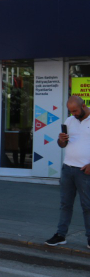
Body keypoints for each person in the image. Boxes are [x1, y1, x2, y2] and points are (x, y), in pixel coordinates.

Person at [46, 96, 90, 248]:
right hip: (67, 169)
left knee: (87, 205)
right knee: (65, 204)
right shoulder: (69, 120)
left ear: (83, 106)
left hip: (85, 171)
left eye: (75, 110)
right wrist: (61, 140)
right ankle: (60, 235)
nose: (73, 114)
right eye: (70, 111)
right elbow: (62, 145)